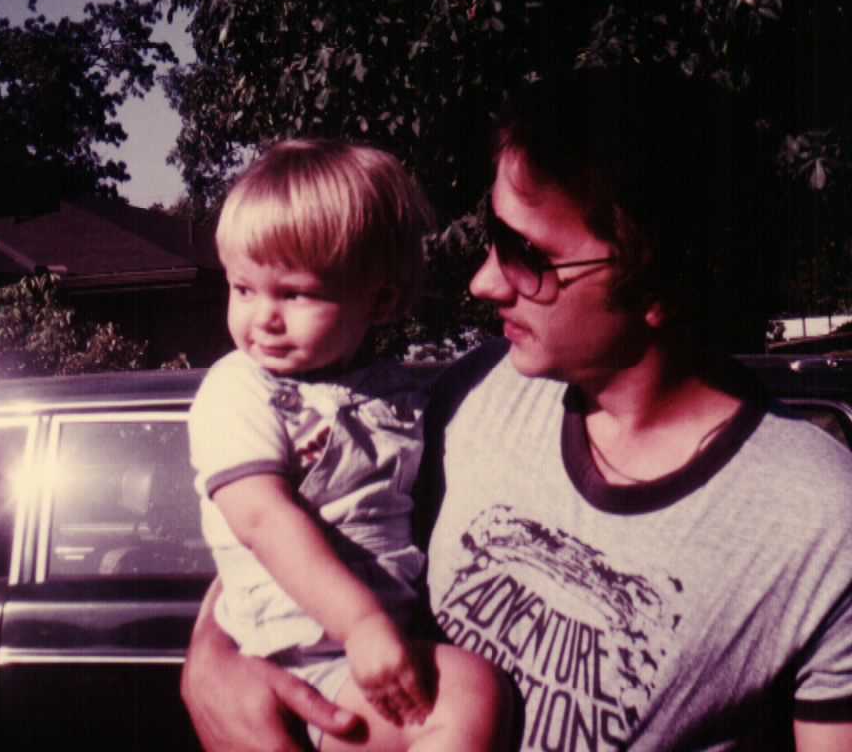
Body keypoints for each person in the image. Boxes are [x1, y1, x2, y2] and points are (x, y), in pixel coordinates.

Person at [182, 70, 852, 752]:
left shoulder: (822, 524)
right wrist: (211, 662)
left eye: (526, 254)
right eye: (492, 237)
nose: (483, 281)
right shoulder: (471, 394)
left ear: (657, 285)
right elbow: (277, 529)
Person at [187, 138, 513, 751]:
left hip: (366, 651)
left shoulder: (397, 393)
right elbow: (260, 518)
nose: (264, 317)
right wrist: (361, 623)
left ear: (381, 300)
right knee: (468, 695)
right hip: (300, 651)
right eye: (244, 288)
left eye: (294, 293)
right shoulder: (241, 389)